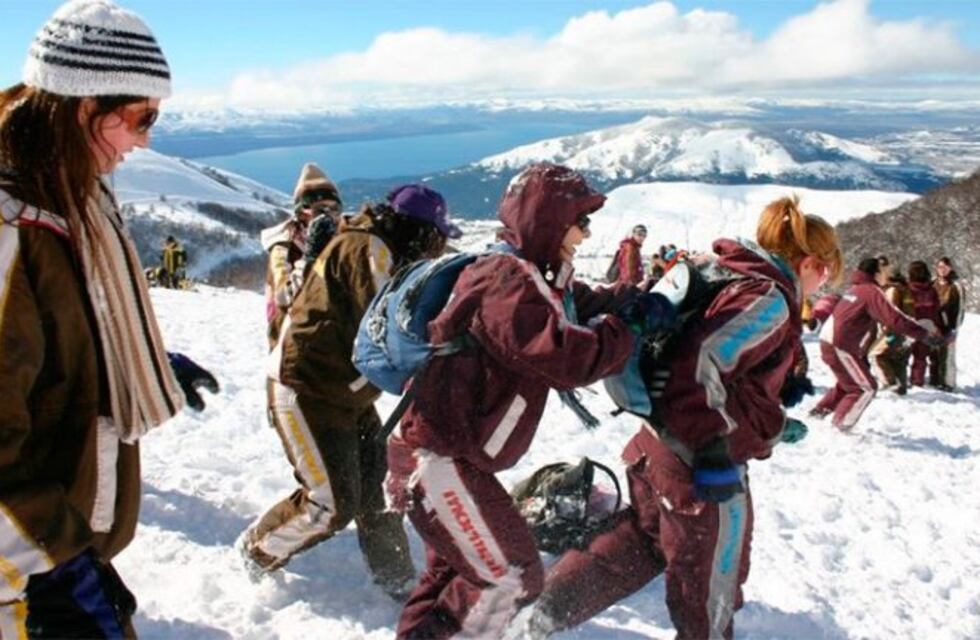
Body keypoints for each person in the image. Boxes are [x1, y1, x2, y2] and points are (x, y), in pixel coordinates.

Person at [522, 195, 843, 640]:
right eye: (826, 273)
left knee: (642, 543)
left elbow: (731, 377)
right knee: (710, 581)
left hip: (657, 447)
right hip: (698, 464)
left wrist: (769, 425)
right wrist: (713, 447)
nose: (823, 285)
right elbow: (699, 361)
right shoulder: (770, 299)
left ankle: (538, 616)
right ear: (809, 262)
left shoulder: (733, 272)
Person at [384, 163, 674, 639]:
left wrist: (638, 297)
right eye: (580, 222)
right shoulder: (505, 281)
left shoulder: (534, 276)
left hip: (448, 455)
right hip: (437, 458)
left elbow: (583, 303)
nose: (584, 233)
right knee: (512, 574)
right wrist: (632, 326)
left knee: (454, 575)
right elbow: (563, 356)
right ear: (551, 221)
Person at [0, 1, 217, 636]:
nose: (146, 139)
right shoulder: (12, 231)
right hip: (22, 577)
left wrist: (142, 365)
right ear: (84, 107)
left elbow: (55, 340)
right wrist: (58, 564)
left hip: (52, 549)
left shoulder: (70, 199)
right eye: (142, 117)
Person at [242, 184, 461, 599]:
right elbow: (393, 328)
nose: (438, 250)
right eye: (437, 239)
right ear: (420, 233)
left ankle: (394, 576)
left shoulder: (377, 247)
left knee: (375, 489)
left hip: (344, 391)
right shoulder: (371, 252)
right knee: (329, 504)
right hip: (307, 389)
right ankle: (257, 551)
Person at [812, 258, 938, 429]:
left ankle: (817, 414)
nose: (887, 274)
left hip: (833, 341)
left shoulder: (856, 289)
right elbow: (894, 318)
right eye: (884, 270)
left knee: (848, 384)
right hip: (840, 344)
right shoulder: (871, 291)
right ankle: (840, 427)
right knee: (865, 388)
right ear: (876, 273)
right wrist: (923, 334)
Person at [260, 162, 341, 349]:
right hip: (296, 346)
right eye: (320, 210)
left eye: (335, 208)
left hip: (338, 342)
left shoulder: (339, 236)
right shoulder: (284, 248)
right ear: (301, 212)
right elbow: (283, 299)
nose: (329, 216)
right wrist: (310, 259)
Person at [869, 266, 914, 394]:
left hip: (895, 331)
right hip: (907, 331)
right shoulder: (905, 289)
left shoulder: (892, 290)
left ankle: (891, 383)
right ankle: (901, 388)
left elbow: (890, 313)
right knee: (900, 359)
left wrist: (888, 331)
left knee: (875, 354)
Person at [907, 260, 942, 387]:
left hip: (910, 324)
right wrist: (936, 326)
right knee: (921, 356)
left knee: (904, 355)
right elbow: (937, 309)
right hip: (928, 325)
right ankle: (917, 380)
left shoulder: (907, 289)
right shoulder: (931, 290)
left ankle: (903, 380)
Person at [932, 256, 965, 391]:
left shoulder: (956, 285)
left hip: (949, 325)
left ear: (950, 268)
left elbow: (960, 308)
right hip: (934, 324)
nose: (942, 270)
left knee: (947, 355)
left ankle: (948, 383)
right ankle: (935, 380)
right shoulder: (933, 283)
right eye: (940, 267)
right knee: (934, 353)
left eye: (945, 267)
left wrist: (955, 327)